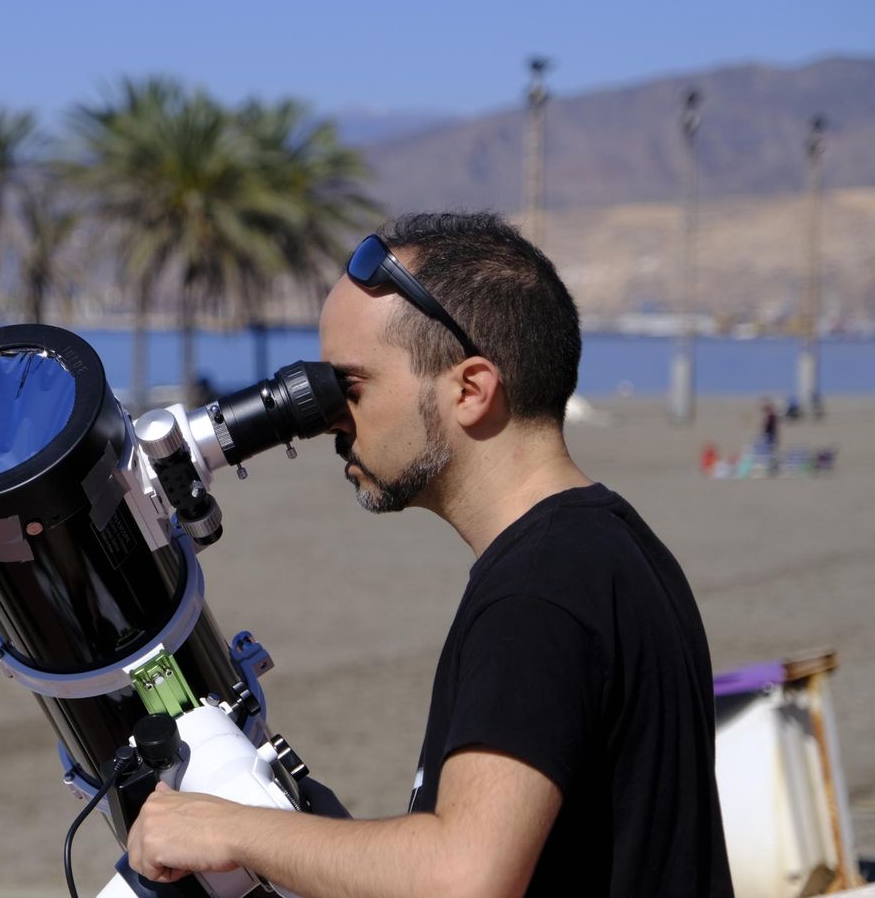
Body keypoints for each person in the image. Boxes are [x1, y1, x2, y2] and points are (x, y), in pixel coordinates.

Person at [127, 213, 732, 897]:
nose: (329, 421)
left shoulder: (539, 593)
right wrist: (314, 836)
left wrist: (232, 829)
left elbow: (464, 878)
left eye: (351, 388)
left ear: (470, 390)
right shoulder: (607, 548)